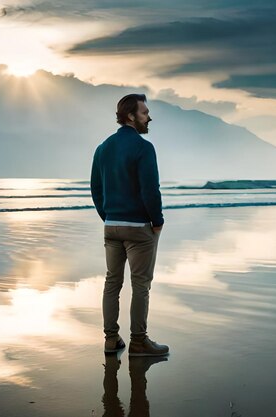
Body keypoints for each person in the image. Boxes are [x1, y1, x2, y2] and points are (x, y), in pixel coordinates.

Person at [90, 93, 169, 357]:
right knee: (140, 285)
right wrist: (157, 221)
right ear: (131, 116)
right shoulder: (143, 148)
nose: (149, 117)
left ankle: (111, 339)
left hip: (111, 226)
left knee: (112, 283)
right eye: (145, 112)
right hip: (138, 228)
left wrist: (108, 216)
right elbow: (150, 190)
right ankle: (138, 341)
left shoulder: (102, 148)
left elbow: (96, 189)